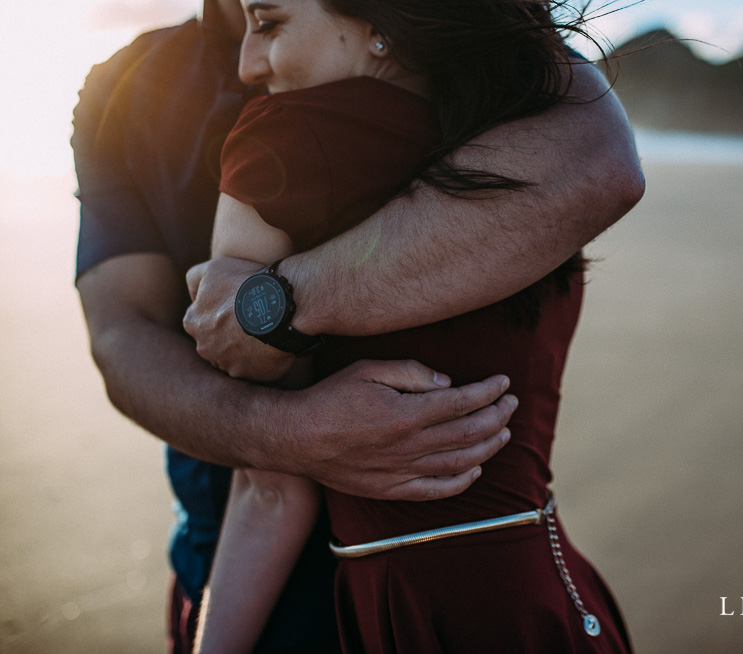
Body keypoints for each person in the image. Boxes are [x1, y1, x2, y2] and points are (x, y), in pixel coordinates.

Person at [72, 0, 643, 651]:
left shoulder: (283, 136)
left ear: (381, 23)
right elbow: (121, 332)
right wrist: (286, 431)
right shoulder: (510, 104)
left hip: (360, 594)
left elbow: (269, 491)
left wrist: (274, 305)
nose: (249, 67)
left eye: (271, 25)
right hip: (543, 584)